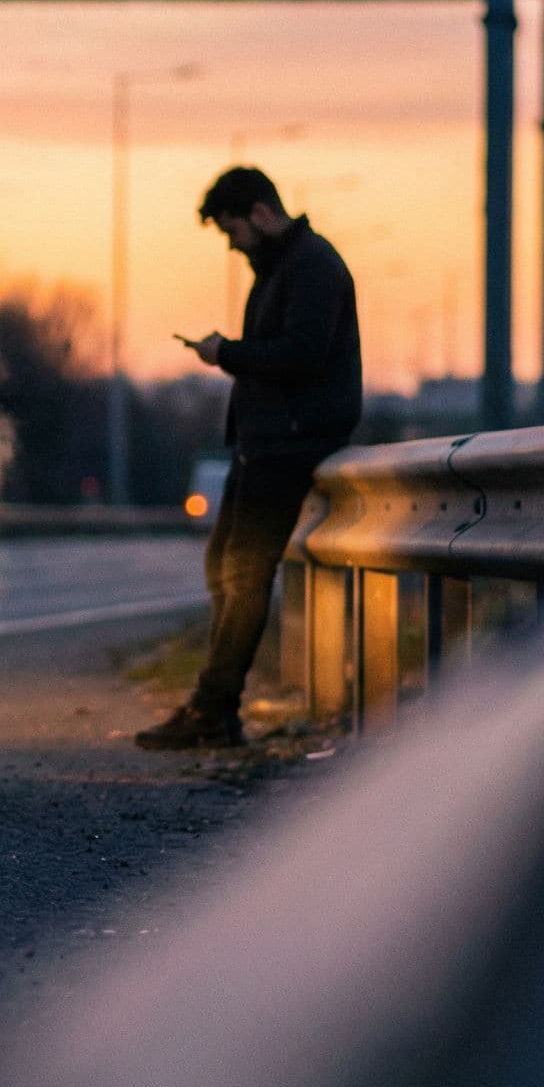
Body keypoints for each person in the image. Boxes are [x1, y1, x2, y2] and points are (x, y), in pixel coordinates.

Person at [136, 166, 362, 749]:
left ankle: (214, 710)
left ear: (261, 214)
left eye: (233, 229)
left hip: (290, 443)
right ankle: (213, 705)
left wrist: (226, 353)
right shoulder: (284, 266)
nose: (233, 244)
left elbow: (303, 354)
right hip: (265, 443)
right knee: (225, 567)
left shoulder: (311, 265)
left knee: (244, 574)